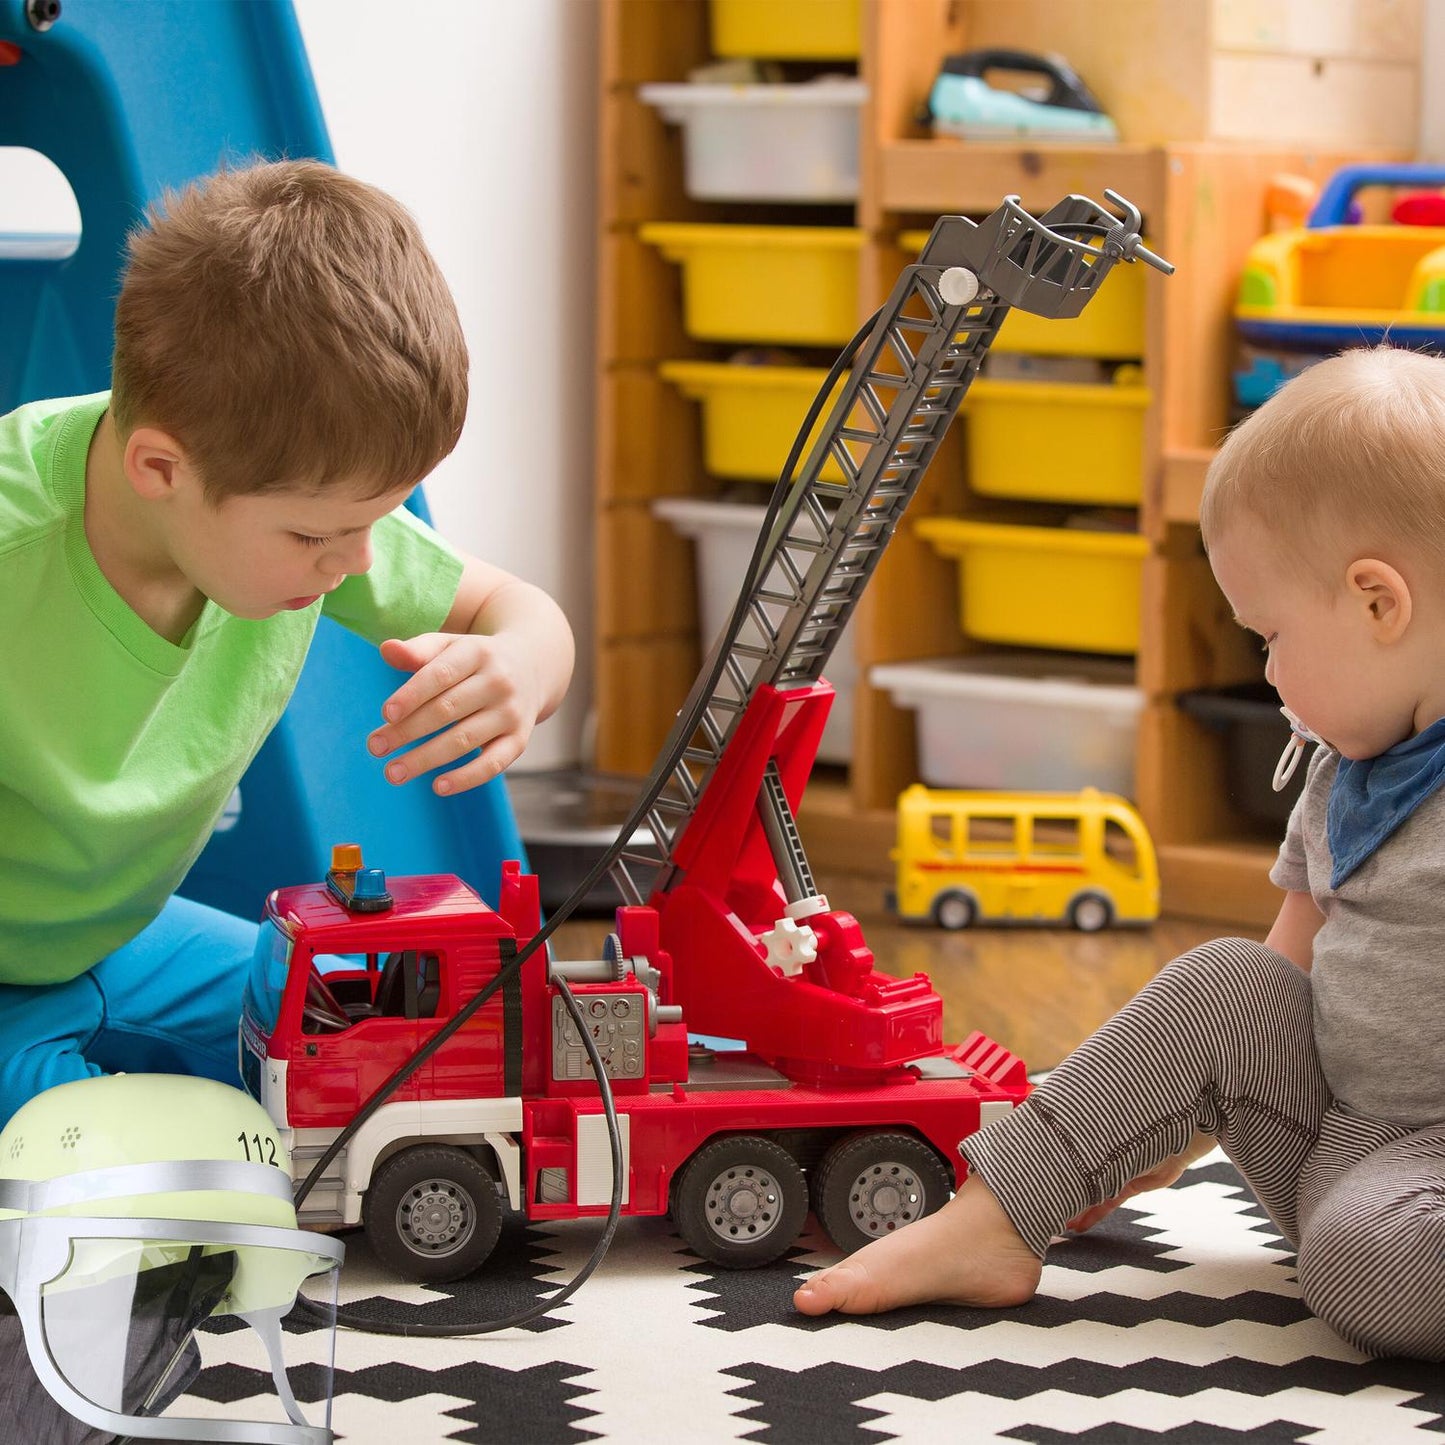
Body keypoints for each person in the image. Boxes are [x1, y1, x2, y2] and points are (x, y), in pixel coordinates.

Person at [794, 345, 1445, 1363]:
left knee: (1361, 1262)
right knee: (1224, 976)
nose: (1264, 673)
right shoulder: (1343, 772)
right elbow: (1273, 979)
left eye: (1266, 636)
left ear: (1376, 602)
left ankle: (1355, 1247)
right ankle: (997, 1213)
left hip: (1411, 1195)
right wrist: (1141, 1117)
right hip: (1345, 1139)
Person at [0, 159, 574, 1130]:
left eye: (376, 522)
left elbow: (517, 608)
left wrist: (520, 662)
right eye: (315, 537)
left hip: (114, 935)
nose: (355, 564)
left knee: (388, 1033)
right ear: (160, 469)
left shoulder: (296, 500)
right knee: (121, 1163)